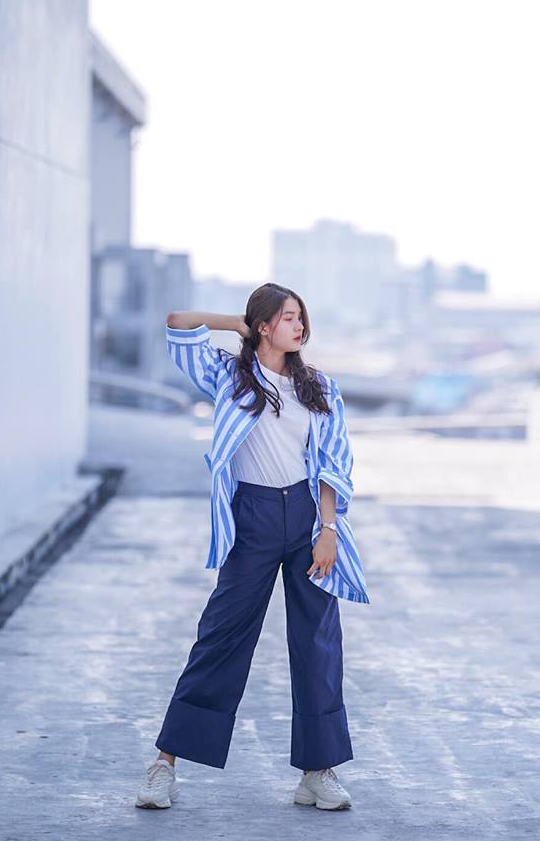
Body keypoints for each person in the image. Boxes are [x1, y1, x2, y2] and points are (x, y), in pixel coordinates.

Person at [135, 282, 369, 812]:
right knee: (221, 637)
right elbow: (177, 322)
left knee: (318, 644)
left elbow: (333, 462)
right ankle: (164, 766)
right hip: (253, 517)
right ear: (263, 325)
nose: (299, 326)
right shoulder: (229, 375)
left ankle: (318, 772)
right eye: (287, 317)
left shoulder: (319, 387)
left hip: (307, 518)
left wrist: (329, 530)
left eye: (301, 317)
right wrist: (235, 324)